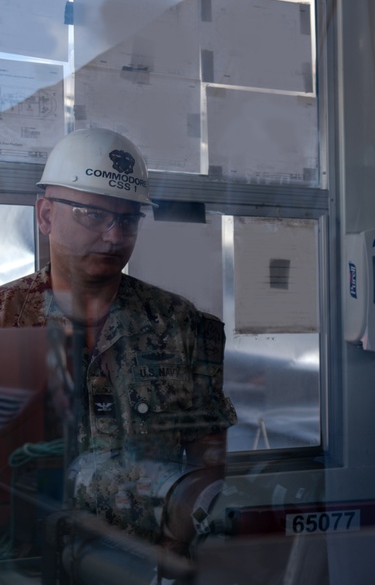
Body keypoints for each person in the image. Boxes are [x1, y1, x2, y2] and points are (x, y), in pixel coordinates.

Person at [0, 127, 237, 549]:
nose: (114, 236)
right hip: (25, 580)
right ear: (45, 215)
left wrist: (170, 563)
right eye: (93, 215)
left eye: (128, 219)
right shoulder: (6, 321)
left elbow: (208, 458)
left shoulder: (179, 323)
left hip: (142, 576)